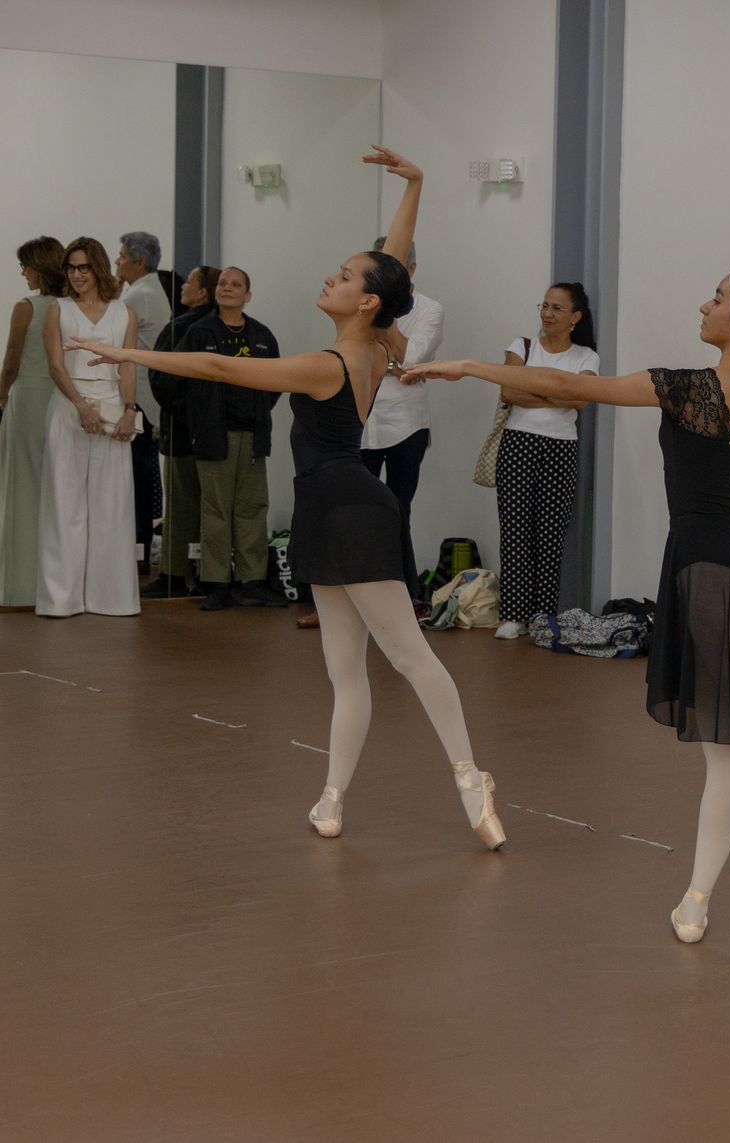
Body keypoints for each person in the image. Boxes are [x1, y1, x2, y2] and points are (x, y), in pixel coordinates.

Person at [409, 175, 730, 968]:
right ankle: (696, 898)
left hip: (712, 565)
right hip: (715, 559)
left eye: (717, 297)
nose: (704, 304)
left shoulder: (688, 387)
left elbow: (565, 385)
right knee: (725, 748)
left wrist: (466, 367)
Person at [71, 147, 505, 851]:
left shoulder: (328, 364)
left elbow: (217, 366)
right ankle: (333, 795)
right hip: (322, 510)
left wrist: (132, 355)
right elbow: (391, 267)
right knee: (344, 671)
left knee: (408, 656)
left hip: (353, 508)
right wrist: (415, 186)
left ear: (366, 302)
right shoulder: (376, 345)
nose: (331, 277)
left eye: (345, 276)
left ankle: (469, 777)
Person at [37, 237, 141, 617]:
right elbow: (55, 366)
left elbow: (127, 364)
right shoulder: (57, 310)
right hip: (69, 408)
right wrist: (81, 406)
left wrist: (129, 409)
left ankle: (111, 598)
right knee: (64, 503)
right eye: (71, 268)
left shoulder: (125, 313)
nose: (77, 275)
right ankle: (60, 599)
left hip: (113, 409)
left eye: (83, 267)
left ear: (97, 267)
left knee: (112, 504)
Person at [492, 282, 598, 640]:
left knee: (551, 534)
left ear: (575, 317)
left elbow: (581, 398)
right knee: (515, 530)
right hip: (518, 443)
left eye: (557, 308)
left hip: (561, 448)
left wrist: (535, 390)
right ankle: (513, 614)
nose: (547, 314)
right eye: (544, 306)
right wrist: (557, 393)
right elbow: (509, 390)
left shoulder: (586, 356)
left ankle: (542, 615)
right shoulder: (522, 347)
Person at [175, 266, 284, 610]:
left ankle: (253, 581)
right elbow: (178, 380)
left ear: (247, 295)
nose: (227, 288)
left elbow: (276, 382)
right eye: (222, 283)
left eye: (236, 285)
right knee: (216, 510)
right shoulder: (198, 332)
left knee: (252, 508)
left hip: (253, 436)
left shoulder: (262, 336)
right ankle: (217, 583)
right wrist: (197, 419)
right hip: (213, 437)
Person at [361, 236, 443, 611]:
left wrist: (388, 320)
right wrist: (397, 365)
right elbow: (352, 354)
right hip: (362, 420)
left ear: (410, 268)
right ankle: (354, 593)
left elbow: (412, 360)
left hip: (407, 425)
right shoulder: (361, 302)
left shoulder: (430, 309)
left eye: (393, 266)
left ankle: (401, 594)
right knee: (357, 510)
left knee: (397, 510)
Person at [0, 237, 69, 608]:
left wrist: (1, 395)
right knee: (57, 489)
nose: (23, 273)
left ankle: (19, 585)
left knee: (21, 488)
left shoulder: (26, 308)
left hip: (27, 399)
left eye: (25, 265)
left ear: (39, 267)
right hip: (61, 399)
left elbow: (11, 360)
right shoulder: (70, 307)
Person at [145, 265, 221, 597]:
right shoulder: (229, 329)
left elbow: (160, 376)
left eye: (189, 281)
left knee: (179, 506)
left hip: (182, 432)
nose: (182, 286)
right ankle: (209, 576)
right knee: (214, 507)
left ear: (202, 292)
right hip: (218, 433)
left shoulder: (180, 327)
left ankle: (174, 576)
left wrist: (187, 414)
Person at [116, 231, 171, 572]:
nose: (116, 262)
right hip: (147, 400)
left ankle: (138, 553)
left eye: (122, 256)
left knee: (137, 479)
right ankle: (140, 551)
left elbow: (110, 337)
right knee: (143, 478)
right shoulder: (147, 290)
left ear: (138, 262)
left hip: (140, 402)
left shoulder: (140, 295)